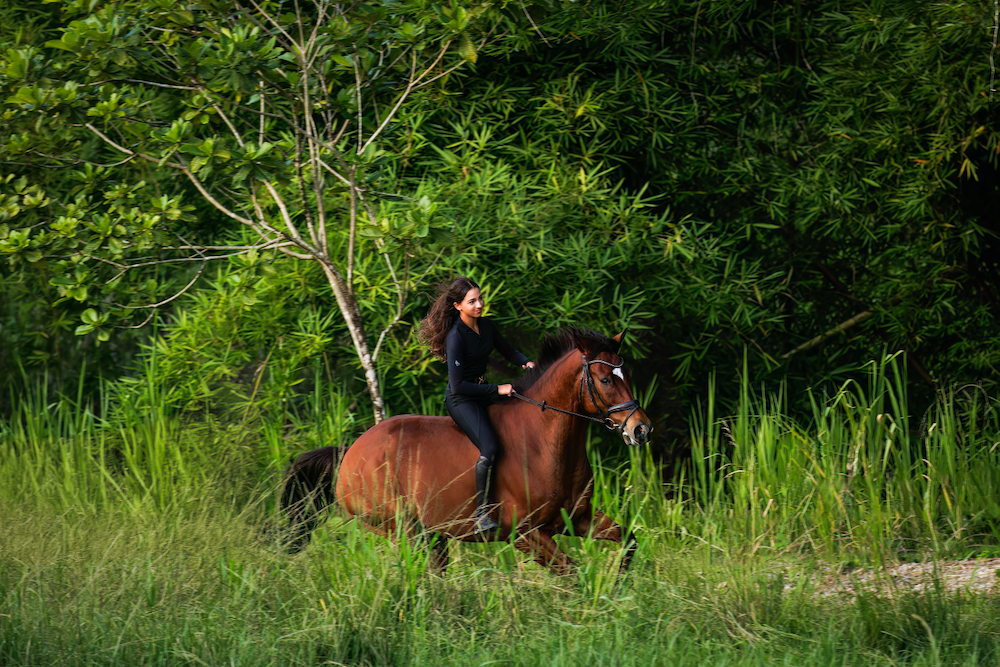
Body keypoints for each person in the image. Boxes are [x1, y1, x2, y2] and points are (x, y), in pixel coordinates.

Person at [419, 276, 535, 534]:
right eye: (472, 301)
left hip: (482, 391)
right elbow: (459, 386)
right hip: (462, 399)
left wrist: (526, 363)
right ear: (458, 306)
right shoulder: (455, 338)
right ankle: (482, 514)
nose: (479, 304)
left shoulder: (487, 326)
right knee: (491, 445)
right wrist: (497, 389)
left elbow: (509, 351)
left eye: (480, 298)